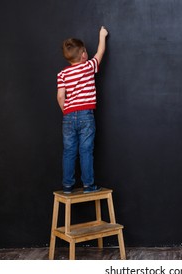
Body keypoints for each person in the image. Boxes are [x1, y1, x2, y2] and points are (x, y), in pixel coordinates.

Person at [56, 26, 108, 194]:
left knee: (69, 151)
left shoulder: (62, 74)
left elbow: (60, 96)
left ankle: (67, 186)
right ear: (84, 54)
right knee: (86, 151)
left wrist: (67, 111)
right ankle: (88, 185)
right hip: (86, 115)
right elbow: (100, 53)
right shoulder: (88, 67)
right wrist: (102, 35)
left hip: (69, 116)